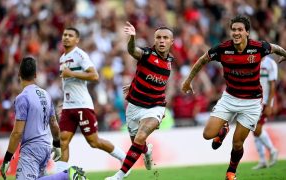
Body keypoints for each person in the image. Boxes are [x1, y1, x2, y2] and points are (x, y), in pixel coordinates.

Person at [181, 15, 286, 180]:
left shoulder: (258, 47)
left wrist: (285, 54)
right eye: (234, 30)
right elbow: (202, 60)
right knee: (207, 135)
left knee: (237, 143)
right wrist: (188, 81)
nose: (236, 33)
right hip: (229, 98)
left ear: (247, 32)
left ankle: (231, 172)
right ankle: (223, 130)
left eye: (240, 30)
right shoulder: (223, 49)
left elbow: (275, 48)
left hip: (252, 103)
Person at [105, 21, 174, 180]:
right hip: (134, 107)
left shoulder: (170, 60)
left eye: (165, 38)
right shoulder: (147, 54)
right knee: (138, 143)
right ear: (154, 40)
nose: (161, 41)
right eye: (158, 38)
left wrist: (135, 83)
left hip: (155, 107)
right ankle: (146, 152)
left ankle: (119, 176)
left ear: (171, 41)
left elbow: (155, 78)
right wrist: (132, 38)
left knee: (140, 137)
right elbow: (132, 50)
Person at [0, 57, 88, 180]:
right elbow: (54, 124)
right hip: (45, 147)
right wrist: (56, 145)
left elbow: (17, 133)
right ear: (35, 75)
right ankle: (65, 176)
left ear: (19, 74)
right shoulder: (45, 95)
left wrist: (7, 158)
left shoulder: (22, 98)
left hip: (31, 149)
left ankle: (66, 175)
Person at [56, 27, 126, 172]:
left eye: (70, 35)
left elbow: (94, 76)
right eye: (65, 35)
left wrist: (72, 74)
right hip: (69, 106)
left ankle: (123, 157)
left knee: (94, 142)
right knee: (63, 140)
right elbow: (67, 83)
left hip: (82, 105)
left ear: (77, 40)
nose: (66, 37)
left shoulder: (80, 55)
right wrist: (64, 101)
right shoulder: (62, 58)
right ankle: (60, 175)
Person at [252, 56, 279, 170]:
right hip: (254, 100)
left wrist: (269, 104)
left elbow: (273, 84)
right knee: (254, 129)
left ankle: (272, 150)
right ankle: (262, 160)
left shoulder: (270, 63)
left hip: (264, 101)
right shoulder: (253, 60)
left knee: (256, 129)